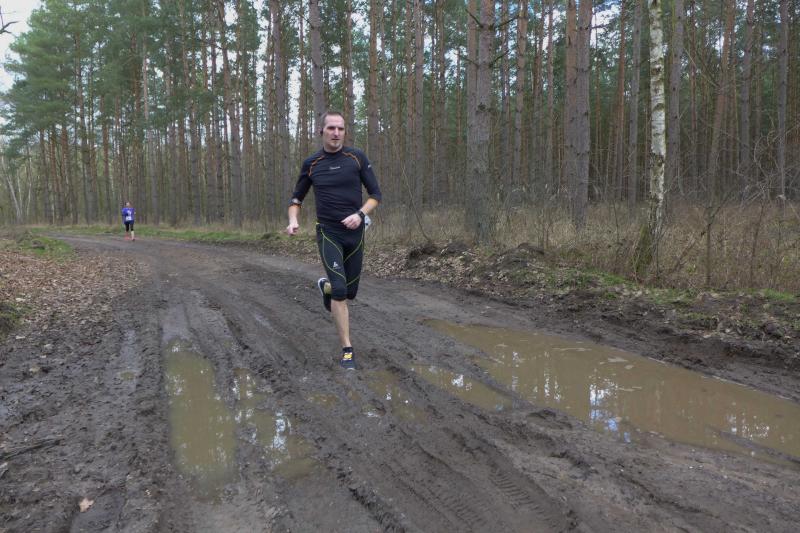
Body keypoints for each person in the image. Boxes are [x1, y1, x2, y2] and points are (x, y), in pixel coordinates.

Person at [286, 111, 382, 369]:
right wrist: (293, 220)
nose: (336, 133)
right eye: (331, 128)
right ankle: (347, 349)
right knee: (341, 292)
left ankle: (326, 287)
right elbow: (296, 199)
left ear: (345, 132)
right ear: (322, 131)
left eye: (340, 128)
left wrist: (360, 214)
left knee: (349, 292)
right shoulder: (312, 163)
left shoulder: (357, 158)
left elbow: (375, 195)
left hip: (355, 233)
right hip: (328, 232)